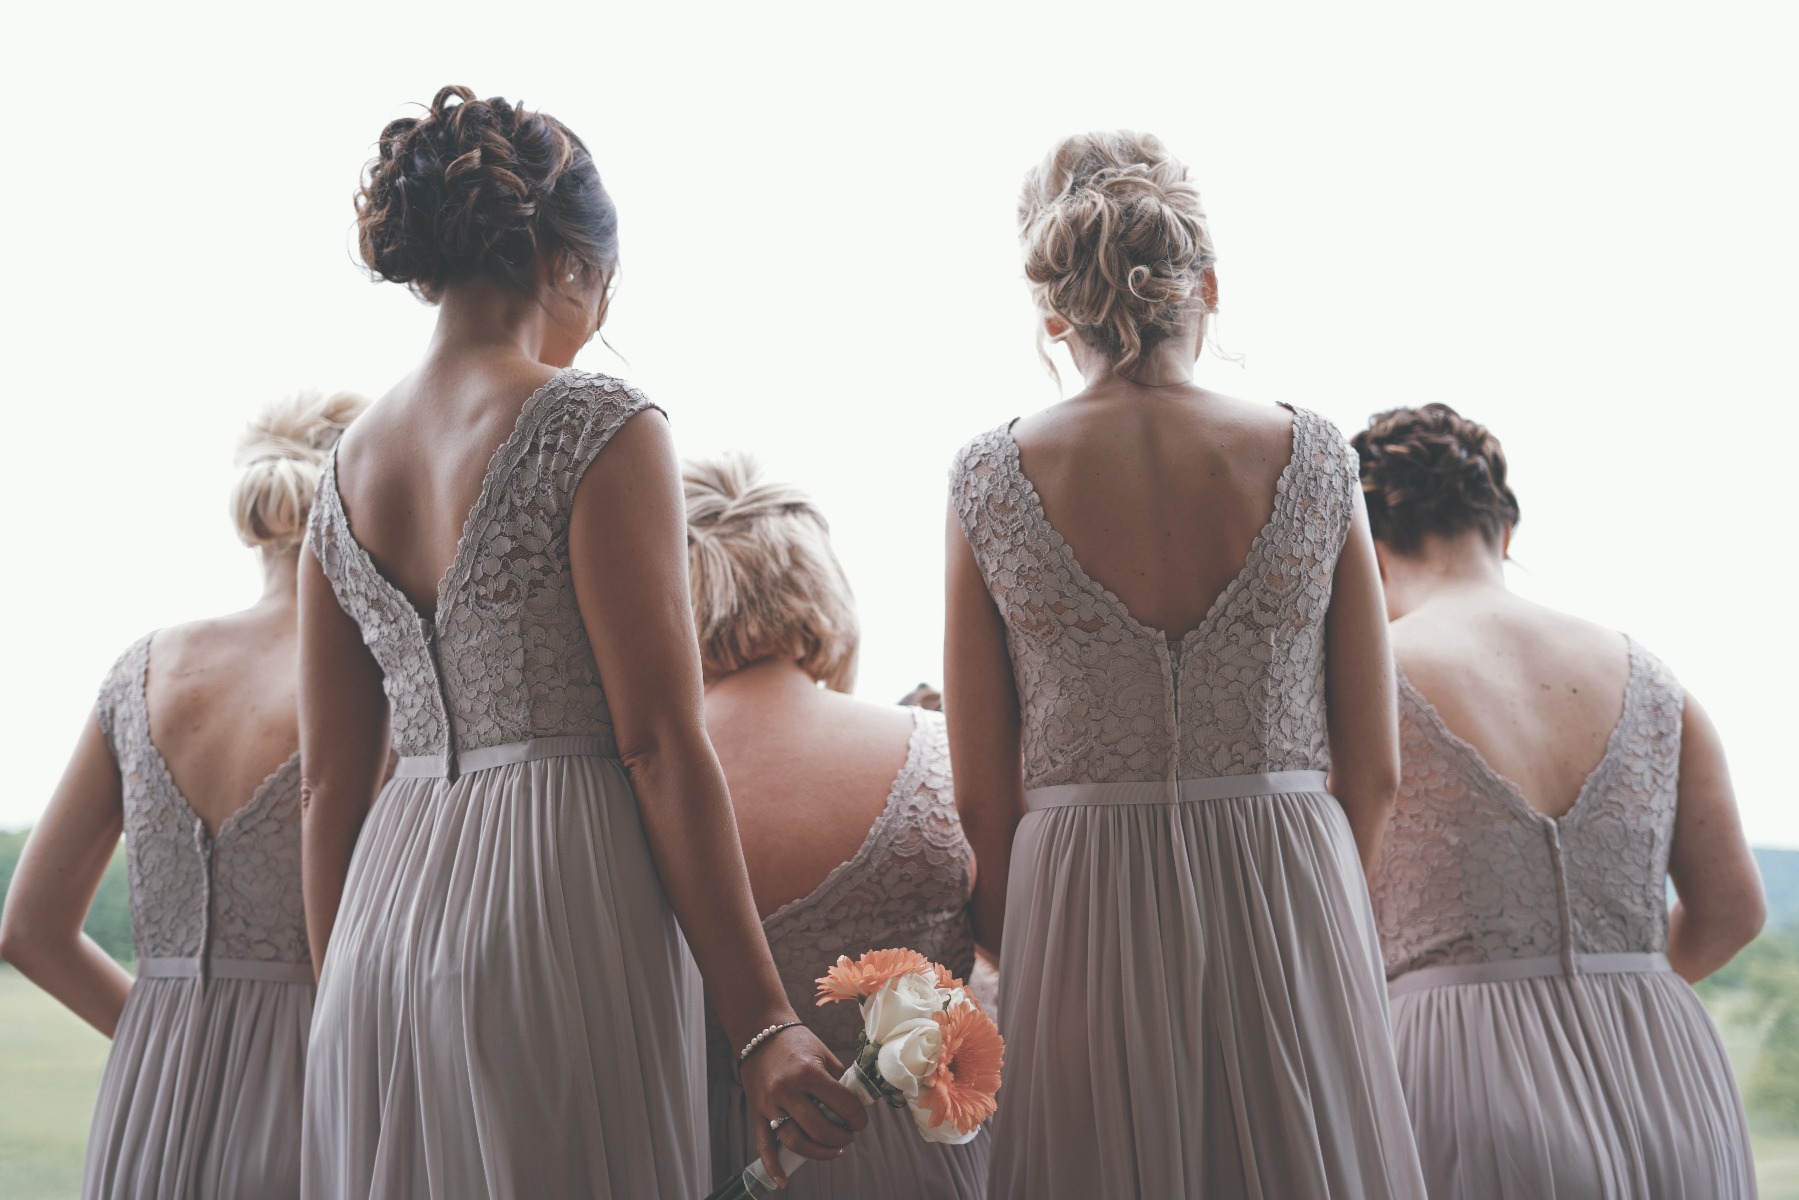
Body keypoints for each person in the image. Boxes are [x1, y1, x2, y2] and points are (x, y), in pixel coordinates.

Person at [296, 87, 863, 1199]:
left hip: (377, 930)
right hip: (554, 903)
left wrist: (342, 999)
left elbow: (326, 787)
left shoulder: (345, 469)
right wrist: (761, 1024)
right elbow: (656, 741)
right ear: (567, 259)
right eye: (607, 284)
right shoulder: (594, 422)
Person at [944, 130, 1425, 1199]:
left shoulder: (987, 476)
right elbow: (1374, 766)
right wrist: (1322, 908)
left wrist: (1023, 945)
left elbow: (979, 788)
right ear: (1206, 283)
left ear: (1051, 311)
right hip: (1289, 869)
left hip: (1077, 890)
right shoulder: (1314, 458)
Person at [1355, 403, 1761, 1198]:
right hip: (1668, 1080)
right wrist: (1615, 988)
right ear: (1503, 534)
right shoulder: (1652, 680)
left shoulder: (1367, 680)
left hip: (1457, 1078)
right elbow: (1733, 912)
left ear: (1368, 553)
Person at [0, 390, 365, 1199]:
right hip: (315, 1082)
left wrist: (158, 1034)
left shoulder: (145, 669)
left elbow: (28, 930)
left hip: (149, 1086)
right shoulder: (374, 680)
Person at [686, 452, 989, 1197]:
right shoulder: (937, 752)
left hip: (696, 1148)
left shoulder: (624, 781)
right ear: (818, 582)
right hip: (922, 1151)